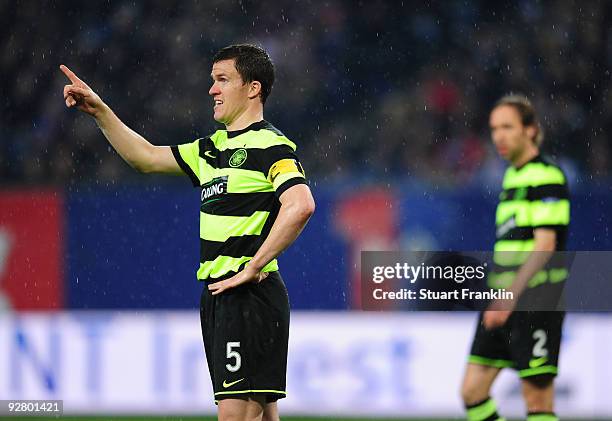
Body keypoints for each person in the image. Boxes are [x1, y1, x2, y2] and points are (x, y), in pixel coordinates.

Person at [61, 44, 315, 421]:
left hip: (248, 295)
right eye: (212, 80)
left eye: (222, 80)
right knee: (261, 417)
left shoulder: (269, 144)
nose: (212, 89)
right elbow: (145, 157)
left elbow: (301, 204)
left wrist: (253, 265)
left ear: (253, 88)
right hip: (221, 296)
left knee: (236, 416)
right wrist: (99, 111)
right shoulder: (210, 150)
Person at [460, 95, 570, 421]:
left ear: (531, 130)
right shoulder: (511, 178)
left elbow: (545, 246)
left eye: (508, 127)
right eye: (494, 129)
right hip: (503, 298)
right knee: (472, 391)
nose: (499, 137)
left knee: (537, 400)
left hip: (537, 300)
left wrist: (509, 297)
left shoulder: (547, 176)